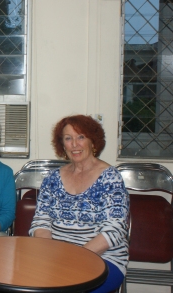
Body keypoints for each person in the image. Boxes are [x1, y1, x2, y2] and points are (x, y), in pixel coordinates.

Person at [29, 115, 129, 293]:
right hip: (57, 258)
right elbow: (41, 221)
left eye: (81, 137)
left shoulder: (110, 178)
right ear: (62, 145)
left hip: (103, 258)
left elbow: (114, 230)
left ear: (93, 141)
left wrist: (74, 259)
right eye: (68, 138)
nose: (74, 144)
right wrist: (49, 254)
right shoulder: (52, 179)